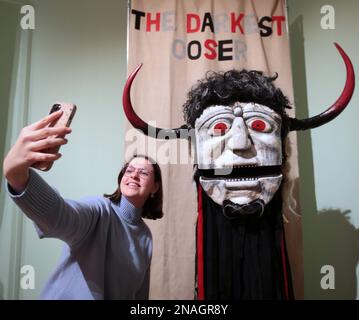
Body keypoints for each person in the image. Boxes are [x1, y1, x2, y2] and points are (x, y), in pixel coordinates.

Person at [3, 110, 163, 299]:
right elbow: (61, 216)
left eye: (143, 173)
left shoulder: (146, 237)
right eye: (129, 170)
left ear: (155, 187)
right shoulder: (99, 210)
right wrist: (18, 176)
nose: (133, 175)